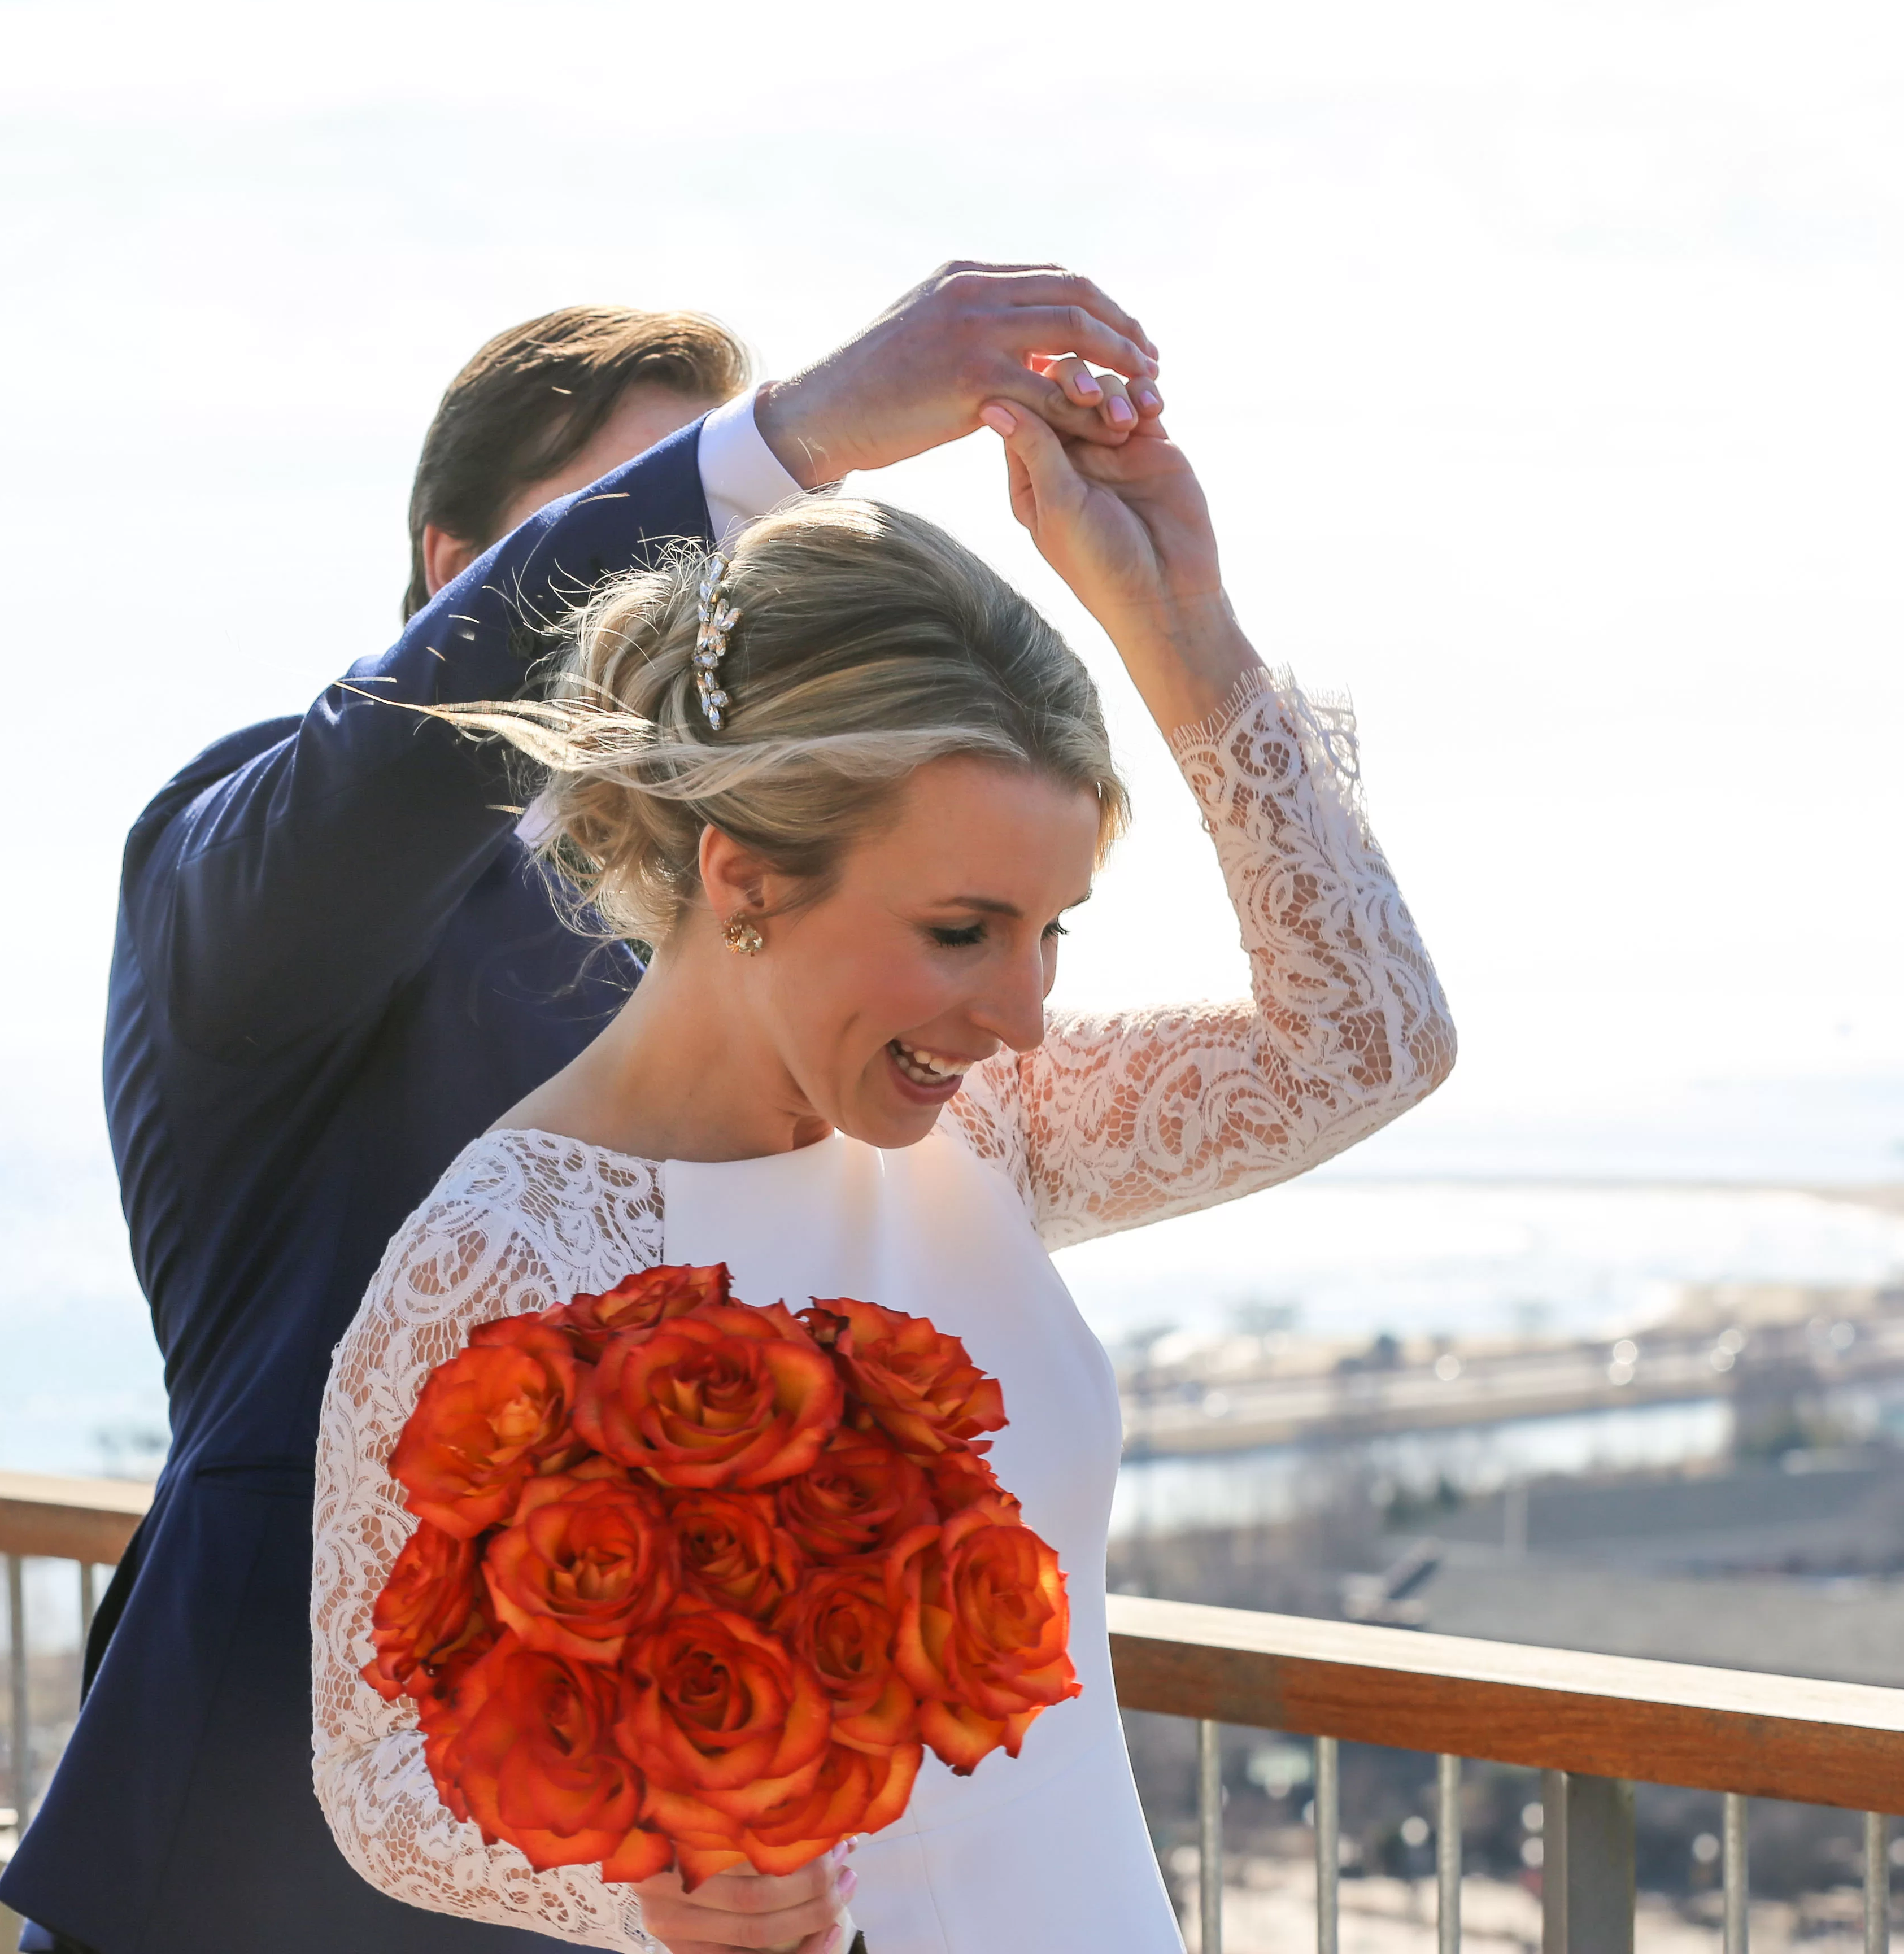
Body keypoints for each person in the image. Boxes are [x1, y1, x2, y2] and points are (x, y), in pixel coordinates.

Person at [0, 264, 1166, 1954]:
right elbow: (389, 757)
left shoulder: (764, 937)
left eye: (729, 563)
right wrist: (795, 437)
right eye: (643, 539)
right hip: (264, 1872)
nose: (694, 605)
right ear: (455, 575)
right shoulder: (251, 863)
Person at [312, 361, 1458, 1952]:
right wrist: (656, 1880)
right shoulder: (512, 1250)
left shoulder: (988, 1130)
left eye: (1051, 931)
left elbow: (1367, 1040)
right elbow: (378, 1770)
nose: (1024, 1014)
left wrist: (1180, 623)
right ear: (745, 879)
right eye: (962, 931)